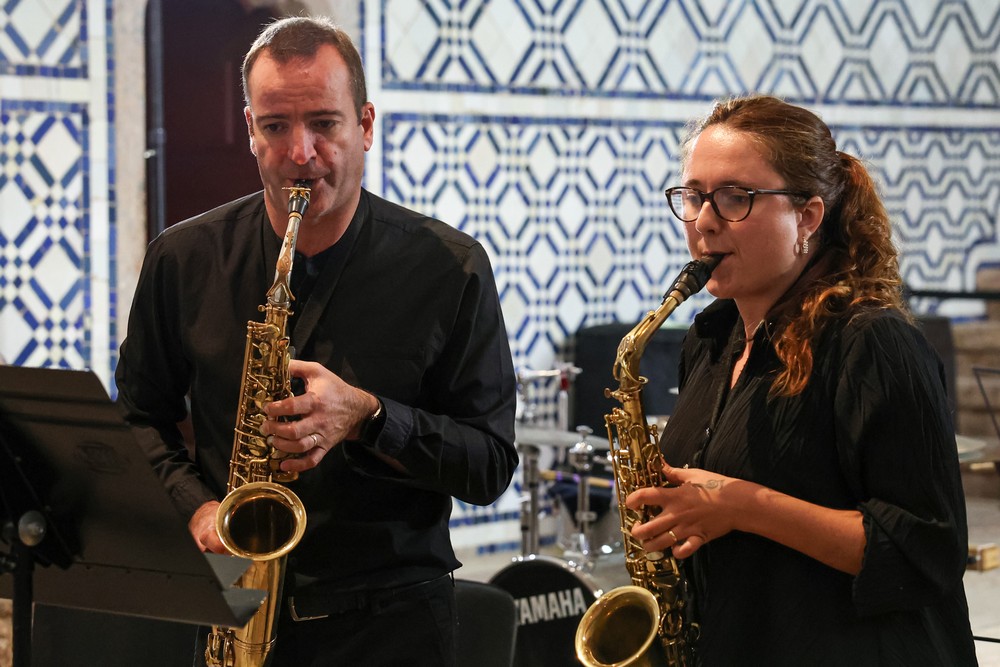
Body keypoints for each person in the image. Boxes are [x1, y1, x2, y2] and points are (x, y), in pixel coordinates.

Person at [115, 16, 517, 667]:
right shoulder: (183, 258)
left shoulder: (451, 266)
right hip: (235, 612)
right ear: (249, 129)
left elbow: (491, 463)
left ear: (365, 125)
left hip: (394, 626)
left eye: (325, 124)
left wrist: (371, 418)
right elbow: (138, 415)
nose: (301, 152)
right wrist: (197, 509)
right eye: (276, 126)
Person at [626, 94, 978, 665]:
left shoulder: (873, 343)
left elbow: (926, 549)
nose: (706, 222)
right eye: (693, 197)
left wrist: (741, 505)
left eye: (735, 197)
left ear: (808, 216)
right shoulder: (711, 339)